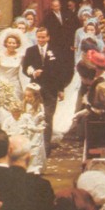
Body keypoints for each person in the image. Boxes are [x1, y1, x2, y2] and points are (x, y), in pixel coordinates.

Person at [22, 27, 64, 155]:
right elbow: (25, 68)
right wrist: (33, 72)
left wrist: (61, 89)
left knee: (48, 117)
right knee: (35, 116)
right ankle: (35, 146)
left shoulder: (56, 51)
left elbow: (60, 71)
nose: (41, 39)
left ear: (48, 37)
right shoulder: (30, 51)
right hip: (35, 89)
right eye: (39, 37)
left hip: (51, 89)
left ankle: (46, 147)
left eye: (43, 37)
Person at [0, 29, 27, 123]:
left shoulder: (21, 56)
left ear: (17, 44)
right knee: (2, 106)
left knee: (15, 105)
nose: (11, 45)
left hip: (15, 84)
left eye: (14, 43)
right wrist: (2, 80)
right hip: (2, 83)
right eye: (9, 43)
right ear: (6, 43)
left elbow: (24, 70)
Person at [22, 83, 46, 173]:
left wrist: (37, 121)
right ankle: (28, 166)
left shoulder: (39, 106)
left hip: (36, 130)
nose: (27, 98)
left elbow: (41, 119)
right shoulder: (25, 105)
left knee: (36, 148)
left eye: (29, 96)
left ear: (36, 96)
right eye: (26, 96)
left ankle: (36, 167)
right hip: (27, 129)